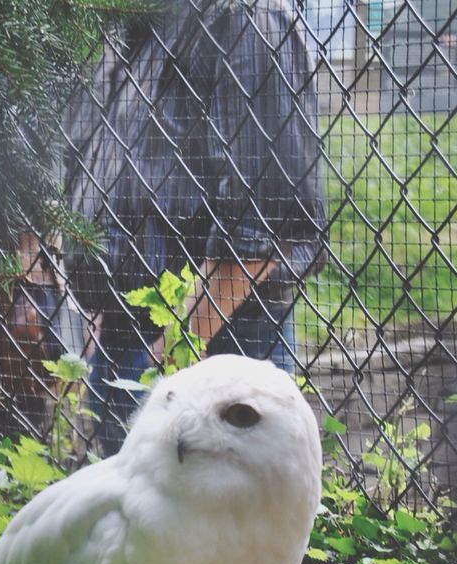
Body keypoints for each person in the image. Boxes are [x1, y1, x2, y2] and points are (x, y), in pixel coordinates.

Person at [62, 0, 328, 454]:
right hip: (129, 336)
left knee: (216, 523)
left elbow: (268, 221)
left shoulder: (245, 15)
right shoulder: (142, 23)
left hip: (215, 346)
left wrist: (177, 352)